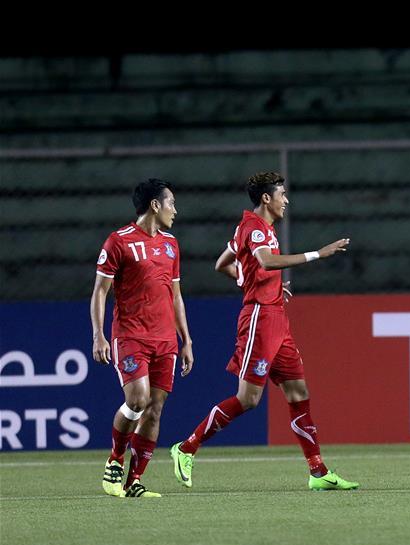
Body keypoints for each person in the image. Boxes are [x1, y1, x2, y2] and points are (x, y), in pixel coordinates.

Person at [169, 171, 358, 491]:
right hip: (259, 319)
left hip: (276, 317)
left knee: (299, 392)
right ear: (267, 198)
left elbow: (223, 263)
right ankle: (186, 448)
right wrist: (318, 254)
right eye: (282, 194)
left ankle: (318, 471)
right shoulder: (256, 229)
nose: (287, 200)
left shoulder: (256, 227)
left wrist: (255, 282)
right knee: (248, 399)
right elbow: (266, 261)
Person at [91, 178, 194, 498]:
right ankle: (114, 460)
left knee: (155, 408)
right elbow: (100, 291)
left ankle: (135, 480)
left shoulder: (171, 244)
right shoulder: (118, 241)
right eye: (171, 203)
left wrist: (186, 339)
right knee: (137, 399)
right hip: (131, 335)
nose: (175, 210)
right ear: (155, 205)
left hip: (166, 339)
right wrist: (98, 335)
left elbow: (175, 295)